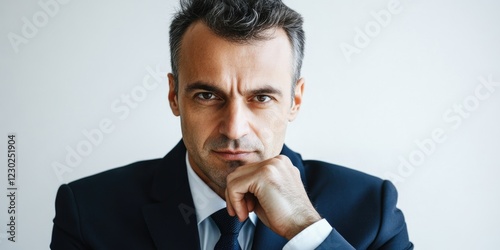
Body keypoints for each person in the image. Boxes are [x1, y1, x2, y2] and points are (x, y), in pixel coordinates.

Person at [51, 0, 413, 249]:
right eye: (208, 96)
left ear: (295, 101)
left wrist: (306, 231)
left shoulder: (372, 211)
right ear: (174, 95)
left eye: (262, 97)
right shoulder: (88, 211)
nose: (235, 129)